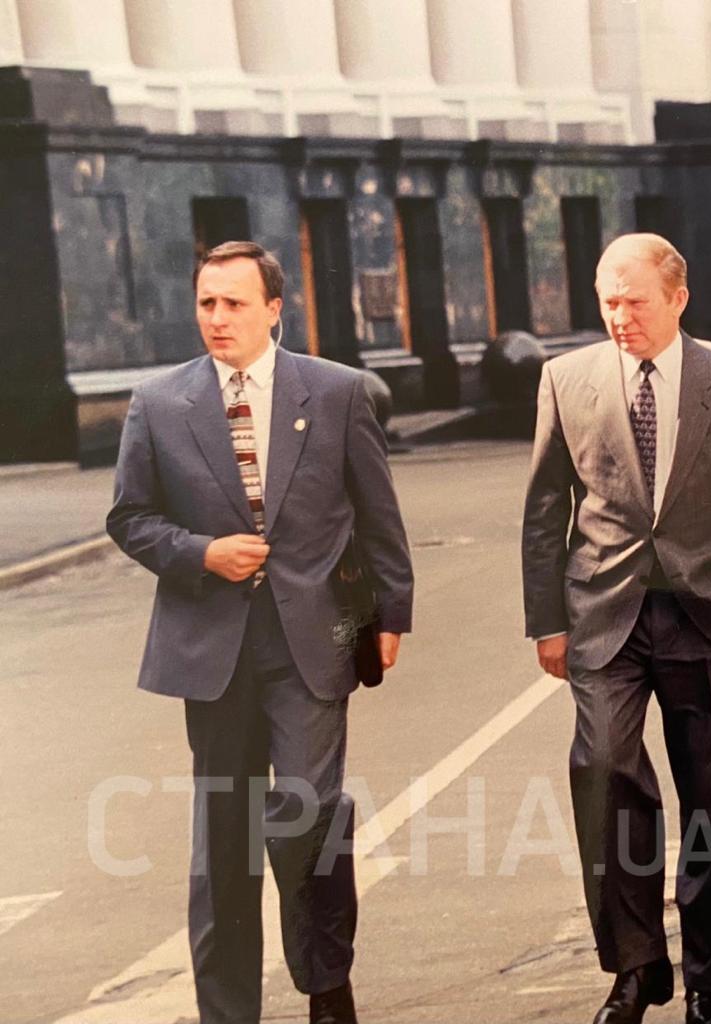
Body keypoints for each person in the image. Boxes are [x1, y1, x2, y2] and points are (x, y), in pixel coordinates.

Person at [107, 240, 413, 1024]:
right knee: (224, 841)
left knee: (307, 812)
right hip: (211, 652)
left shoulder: (336, 392)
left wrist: (392, 613)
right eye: (206, 303)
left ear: (274, 309)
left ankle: (326, 983)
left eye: (234, 304)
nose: (217, 318)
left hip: (312, 641)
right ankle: (227, 1011)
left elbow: (377, 513)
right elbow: (130, 517)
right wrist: (200, 553)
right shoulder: (159, 403)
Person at [521, 233, 711, 1024]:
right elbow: (545, 509)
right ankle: (636, 968)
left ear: (678, 299)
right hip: (603, 615)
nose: (619, 317)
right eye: (608, 301)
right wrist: (547, 621)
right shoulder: (566, 378)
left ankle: (710, 981)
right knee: (605, 772)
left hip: (709, 615)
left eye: (634, 301)